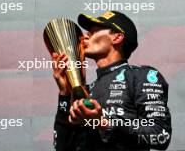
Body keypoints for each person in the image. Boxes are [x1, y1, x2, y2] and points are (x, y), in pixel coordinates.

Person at [52, 11, 172, 151]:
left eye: (93, 32)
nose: (85, 36)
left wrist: (103, 122)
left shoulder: (142, 76)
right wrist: (65, 93)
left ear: (117, 37)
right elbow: (61, 147)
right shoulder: (86, 91)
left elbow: (161, 135)